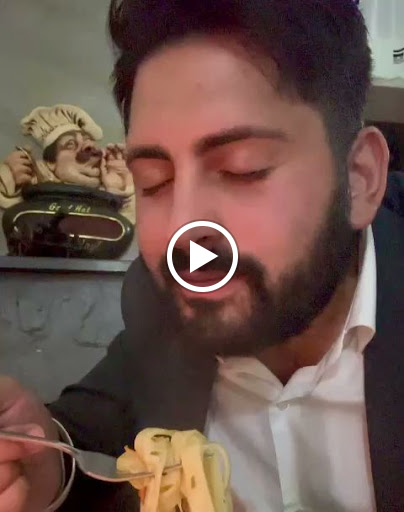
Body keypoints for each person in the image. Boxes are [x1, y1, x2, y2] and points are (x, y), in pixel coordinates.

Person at [1, 1, 403, 511]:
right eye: (154, 182)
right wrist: (42, 464)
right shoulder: (160, 303)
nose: (182, 232)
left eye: (242, 169)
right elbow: (90, 431)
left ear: (359, 178)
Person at [0, 105, 135, 222]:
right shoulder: (34, 190)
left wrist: (121, 188)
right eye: (70, 144)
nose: (89, 146)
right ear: (51, 163)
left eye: (88, 141)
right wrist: (7, 179)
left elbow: (122, 227)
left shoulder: (104, 193)